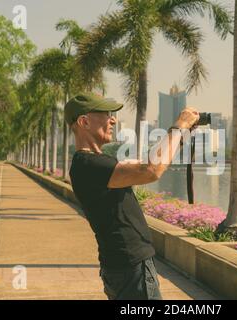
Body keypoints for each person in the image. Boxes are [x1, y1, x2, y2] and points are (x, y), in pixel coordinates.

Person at [65, 92, 199, 300]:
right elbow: (151, 170)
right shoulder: (89, 165)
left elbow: (149, 163)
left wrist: (180, 137)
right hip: (130, 268)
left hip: (123, 266)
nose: (113, 120)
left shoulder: (94, 162)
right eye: (106, 114)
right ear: (84, 122)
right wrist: (179, 126)